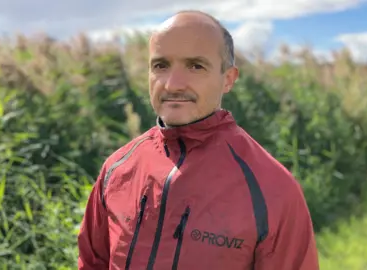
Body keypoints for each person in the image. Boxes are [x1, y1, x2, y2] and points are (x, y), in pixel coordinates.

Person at [77, 9, 319, 270]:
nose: (173, 85)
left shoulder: (272, 188)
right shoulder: (118, 168)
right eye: (161, 65)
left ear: (228, 79)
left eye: (196, 66)